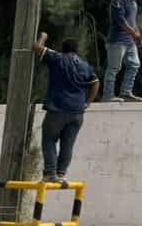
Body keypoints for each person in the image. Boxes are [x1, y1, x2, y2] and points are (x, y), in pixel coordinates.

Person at [33, 31, 100, 184]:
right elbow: (96, 83)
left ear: (63, 49)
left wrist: (43, 36)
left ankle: (50, 173)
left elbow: (37, 47)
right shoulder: (84, 65)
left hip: (58, 109)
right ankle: (61, 174)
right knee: (68, 144)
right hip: (77, 112)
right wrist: (88, 102)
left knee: (49, 140)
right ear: (76, 50)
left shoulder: (57, 58)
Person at [103, 0, 142, 102]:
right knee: (113, 68)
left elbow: (133, 22)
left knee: (134, 65)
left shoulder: (133, 2)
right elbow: (120, 21)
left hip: (130, 41)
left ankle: (126, 92)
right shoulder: (118, 0)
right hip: (117, 41)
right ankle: (108, 95)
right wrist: (134, 34)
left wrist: (138, 36)